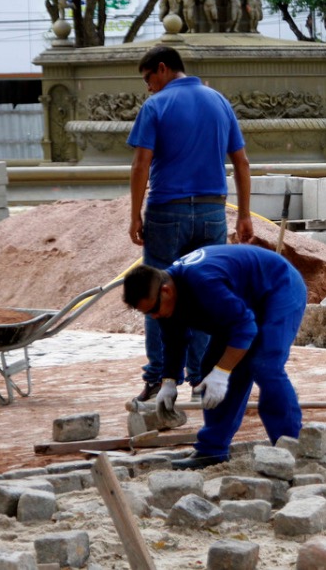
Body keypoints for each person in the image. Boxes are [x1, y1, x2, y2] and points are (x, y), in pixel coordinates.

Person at [127, 45, 253, 402]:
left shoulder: (156, 106)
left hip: (168, 212)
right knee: (204, 294)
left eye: (148, 78)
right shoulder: (219, 101)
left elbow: (140, 165)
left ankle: (157, 379)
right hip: (214, 212)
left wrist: (135, 213)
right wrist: (243, 214)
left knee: (156, 296)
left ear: (163, 69)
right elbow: (242, 163)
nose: (148, 87)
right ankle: (200, 378)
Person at [122, 244, 307, 470]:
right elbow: (174, 340)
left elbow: (245, 327)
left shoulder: (204, 282)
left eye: (154, 310)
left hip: (279, 287)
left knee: (265, 364)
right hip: (241, 301)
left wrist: (223, 373)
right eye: (148, 313)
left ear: (166, 291)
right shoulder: (163, 297)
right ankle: (212, 450)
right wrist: (168, 382)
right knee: (211, 366)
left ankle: (290, 447)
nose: (154, 316)